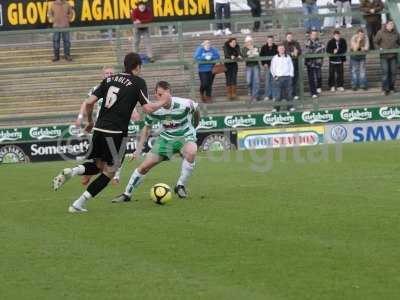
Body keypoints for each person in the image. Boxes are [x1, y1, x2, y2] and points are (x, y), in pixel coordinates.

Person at [52, 52, 169, 213]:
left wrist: (90, 121)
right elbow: (148, 109)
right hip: (117, 132)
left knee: (98, 166)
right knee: (110, 172)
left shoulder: (109, 79)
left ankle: (72, 171)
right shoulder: (138, 82)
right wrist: (164, 101)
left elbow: (89, 102)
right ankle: (78, 204)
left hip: (99, 129)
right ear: (138, 66)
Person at [112, 81, 200, 202]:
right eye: (157, 95)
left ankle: (180, 185)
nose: (159, 97)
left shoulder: (184, 104)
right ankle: (127, 194)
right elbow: (146, 128)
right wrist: (138, 149)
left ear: (169, 93)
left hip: (184, 137)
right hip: (165, 140)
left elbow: (196, 109)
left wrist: (195, 125)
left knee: (191, 151)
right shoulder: (155, 109)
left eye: (162, 94)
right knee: (144, 167)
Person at [75, 65, 141, 186]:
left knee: (117, 152)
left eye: (111, 73)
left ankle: (115, 176)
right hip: (101, 126)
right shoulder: (98, 88)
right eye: (107, 73)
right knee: (101, 156)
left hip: (115, 125)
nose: (109, 75)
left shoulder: (121, 89)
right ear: (103, 75)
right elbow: (86, 102)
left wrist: (135, 112)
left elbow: (129, 105)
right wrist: (80, 117)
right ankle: (89, 174)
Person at [374, 20, 400, 95]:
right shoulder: (380, 32)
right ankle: (385, 89)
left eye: (392, 24)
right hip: (384, 56)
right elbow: (375, 42)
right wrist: (379, 49)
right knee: (385, 73)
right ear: (386, 25)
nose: (391, 25)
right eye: (390, 24)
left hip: (393, 56)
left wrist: (397, 46)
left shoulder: (396, 33)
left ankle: (391, 87)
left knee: (393, 73)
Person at [270, 44, 294, 112]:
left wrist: (291, 76)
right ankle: (276, 108)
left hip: (287, 77)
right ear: (278, 50)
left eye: (283, 48)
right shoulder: (275, 58)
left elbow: (291, 66)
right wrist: (275, 76)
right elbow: (272, 68)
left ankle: (290, 107)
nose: (281, 50)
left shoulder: (288, 57)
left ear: (284, 49)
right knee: (278, 94)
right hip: (278, 78)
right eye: (280, 48)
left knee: (289, 94)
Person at [305, 30, 325, 98]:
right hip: (309, 63)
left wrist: (314, 51)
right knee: (311, 78)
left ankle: (318, 88)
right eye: (313, 34)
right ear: (310, 35)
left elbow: (322, 50)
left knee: (319, 76)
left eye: (315, 34)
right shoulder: (307, 42)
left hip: (318, 62)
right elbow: (307, 52)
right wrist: (317, 50)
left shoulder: (320, 42)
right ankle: (313, 92)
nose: (314, 36)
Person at [283, 32, 302, 100]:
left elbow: (300, 51)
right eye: (288, 37)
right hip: (286, 65)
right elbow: (282, 52)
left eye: (290, 37)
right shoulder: (283, 44)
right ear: (286, 37)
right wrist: (291, 53)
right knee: (287, 80)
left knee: (294, 80)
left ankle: (294, 94)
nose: (290, 38)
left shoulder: (296, 43)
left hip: (295, 64)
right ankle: (287, 95)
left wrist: (297, 52)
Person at [243, 36, 260, 102]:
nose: (249, 42)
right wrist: (252, 53)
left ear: (252, 41)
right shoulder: (244, 48)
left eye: (250, 41)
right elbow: (245, 55)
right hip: (248, 66)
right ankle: (250, 92)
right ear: (246, 42)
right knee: (248, 81)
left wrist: (250, 54)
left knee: (256, 81)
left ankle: (255, 96)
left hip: (255, 65)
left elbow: (257, 54)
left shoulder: (256, 47)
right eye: (248, 41)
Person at [260, 36, 278, 101]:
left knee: (274, 81)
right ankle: (267, 95)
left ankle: (274, 95)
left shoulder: (276, 47)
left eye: (271, 40)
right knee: (267, 81)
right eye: (269, 40)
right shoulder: (263, 47)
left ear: (273, 40)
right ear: (267, 40)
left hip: (274, 67)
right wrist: (264, 63)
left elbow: (278, 56)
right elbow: (261, 56)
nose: (270, 41)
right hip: (267, 66)